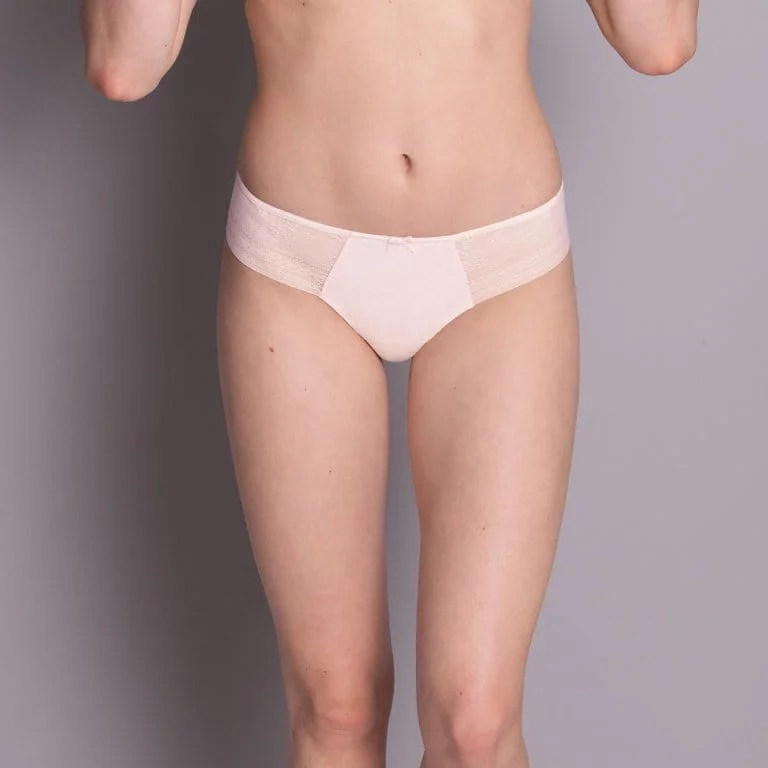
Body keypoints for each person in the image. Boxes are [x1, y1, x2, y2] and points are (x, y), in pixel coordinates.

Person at [80, 1, 699, 766]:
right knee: (337, 707)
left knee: (476, 725)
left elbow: (658, 39)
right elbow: (126, 64)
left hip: (499, 260)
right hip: (299, 261)